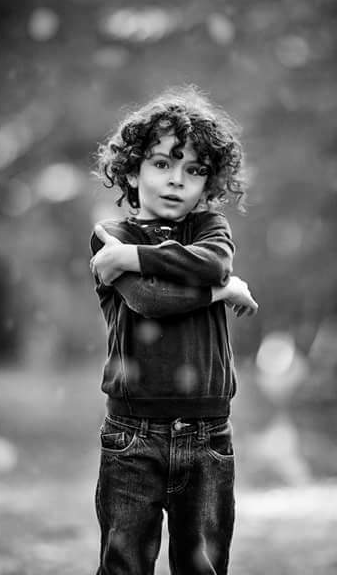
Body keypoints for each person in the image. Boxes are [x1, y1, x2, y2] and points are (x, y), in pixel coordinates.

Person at [88, 84, 258, 575]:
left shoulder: (211, 229)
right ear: (132, 169)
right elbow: (149, 300)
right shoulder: (110, 236)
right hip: (132, 434)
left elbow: (213, 262)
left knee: (203, 568)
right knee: (124, 566)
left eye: (195, 170)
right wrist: (222, 292)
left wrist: (140, 261)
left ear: (210, 183)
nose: (177, 180)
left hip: (208, 434)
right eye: (162, 164)